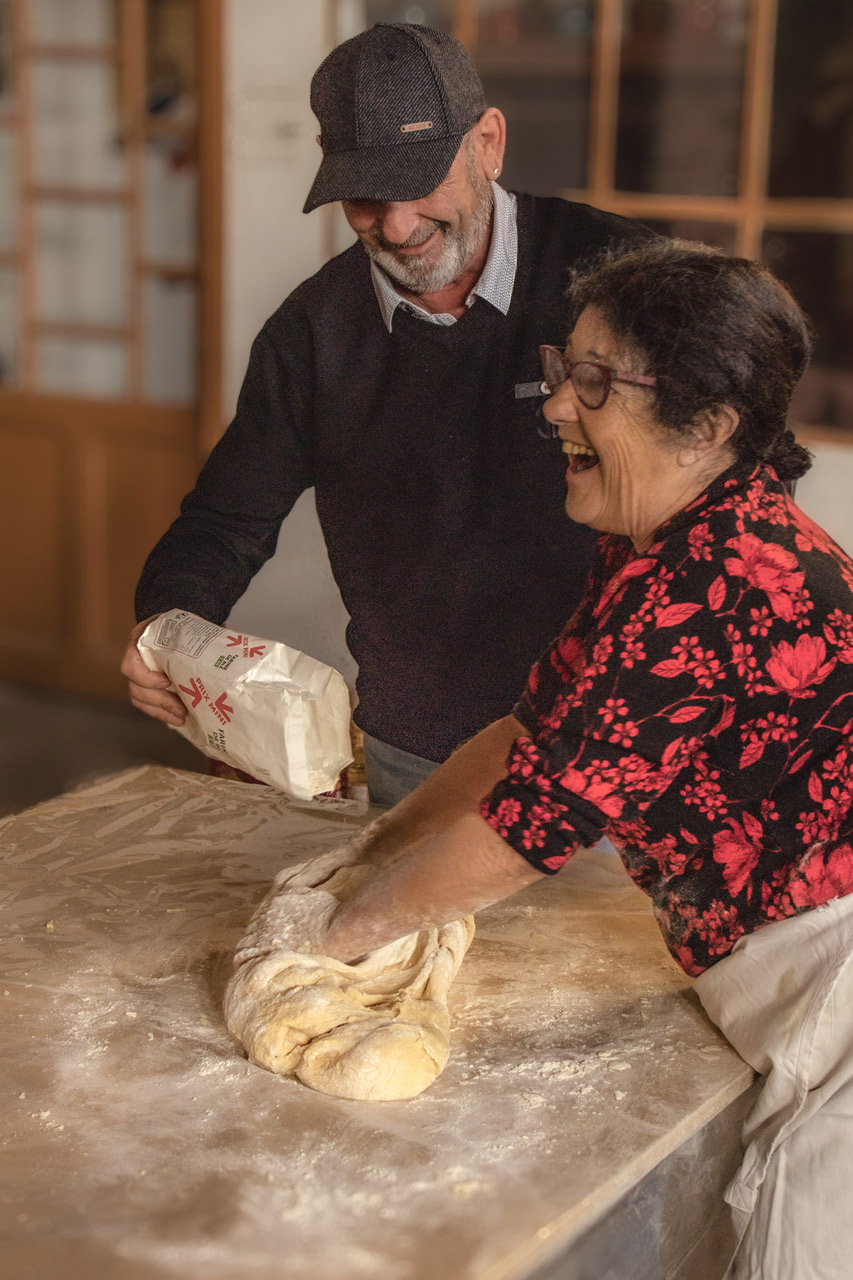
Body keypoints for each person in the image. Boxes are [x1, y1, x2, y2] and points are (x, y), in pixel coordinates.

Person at [308, 240, 853, 1279]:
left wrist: (340, 935)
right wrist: (370, 847)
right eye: (566, 368)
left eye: (595, 383)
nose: (556, 405)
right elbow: (532, 735)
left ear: (707, 426)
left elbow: (530, 830)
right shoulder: (663, 549)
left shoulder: (714, 580)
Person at [121, 22, 651, 805]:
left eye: (420, 180)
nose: (396, 227)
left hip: (617, 740)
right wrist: (165, 624)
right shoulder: (313, 332)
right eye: (366, 196)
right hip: (417, 748)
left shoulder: (625, 281)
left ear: (489, 143)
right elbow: (223, 521)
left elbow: (749, 477)